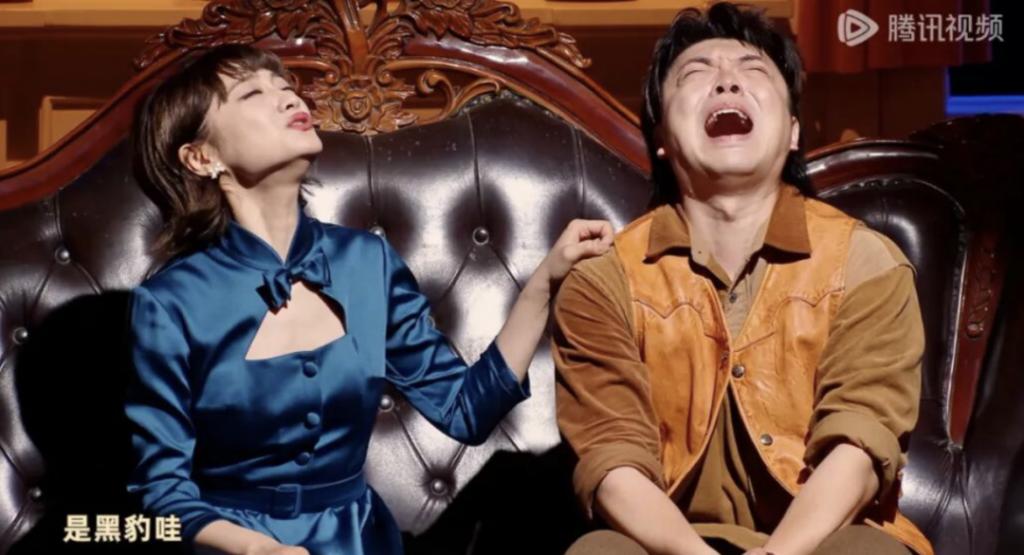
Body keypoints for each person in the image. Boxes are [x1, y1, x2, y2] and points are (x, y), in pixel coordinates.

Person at [126, 44, 612, 555]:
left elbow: (465, 411)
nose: (288, 97)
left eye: (285, 85)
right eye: (252, 93)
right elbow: (161, 492)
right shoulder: (169, 304)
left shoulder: (367, 262)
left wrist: (542, 284)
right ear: (202, 157)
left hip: (361, 542)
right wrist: (254, 549)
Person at [552, 4, 933, 555]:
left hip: (826, 537)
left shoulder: (866, 262)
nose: (727, 80)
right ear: (661, 137)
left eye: (753, 71)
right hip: (672, 543)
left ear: (793, 131)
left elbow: (859, 444)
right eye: (696, 72)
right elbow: (611, 460)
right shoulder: (603, 279)